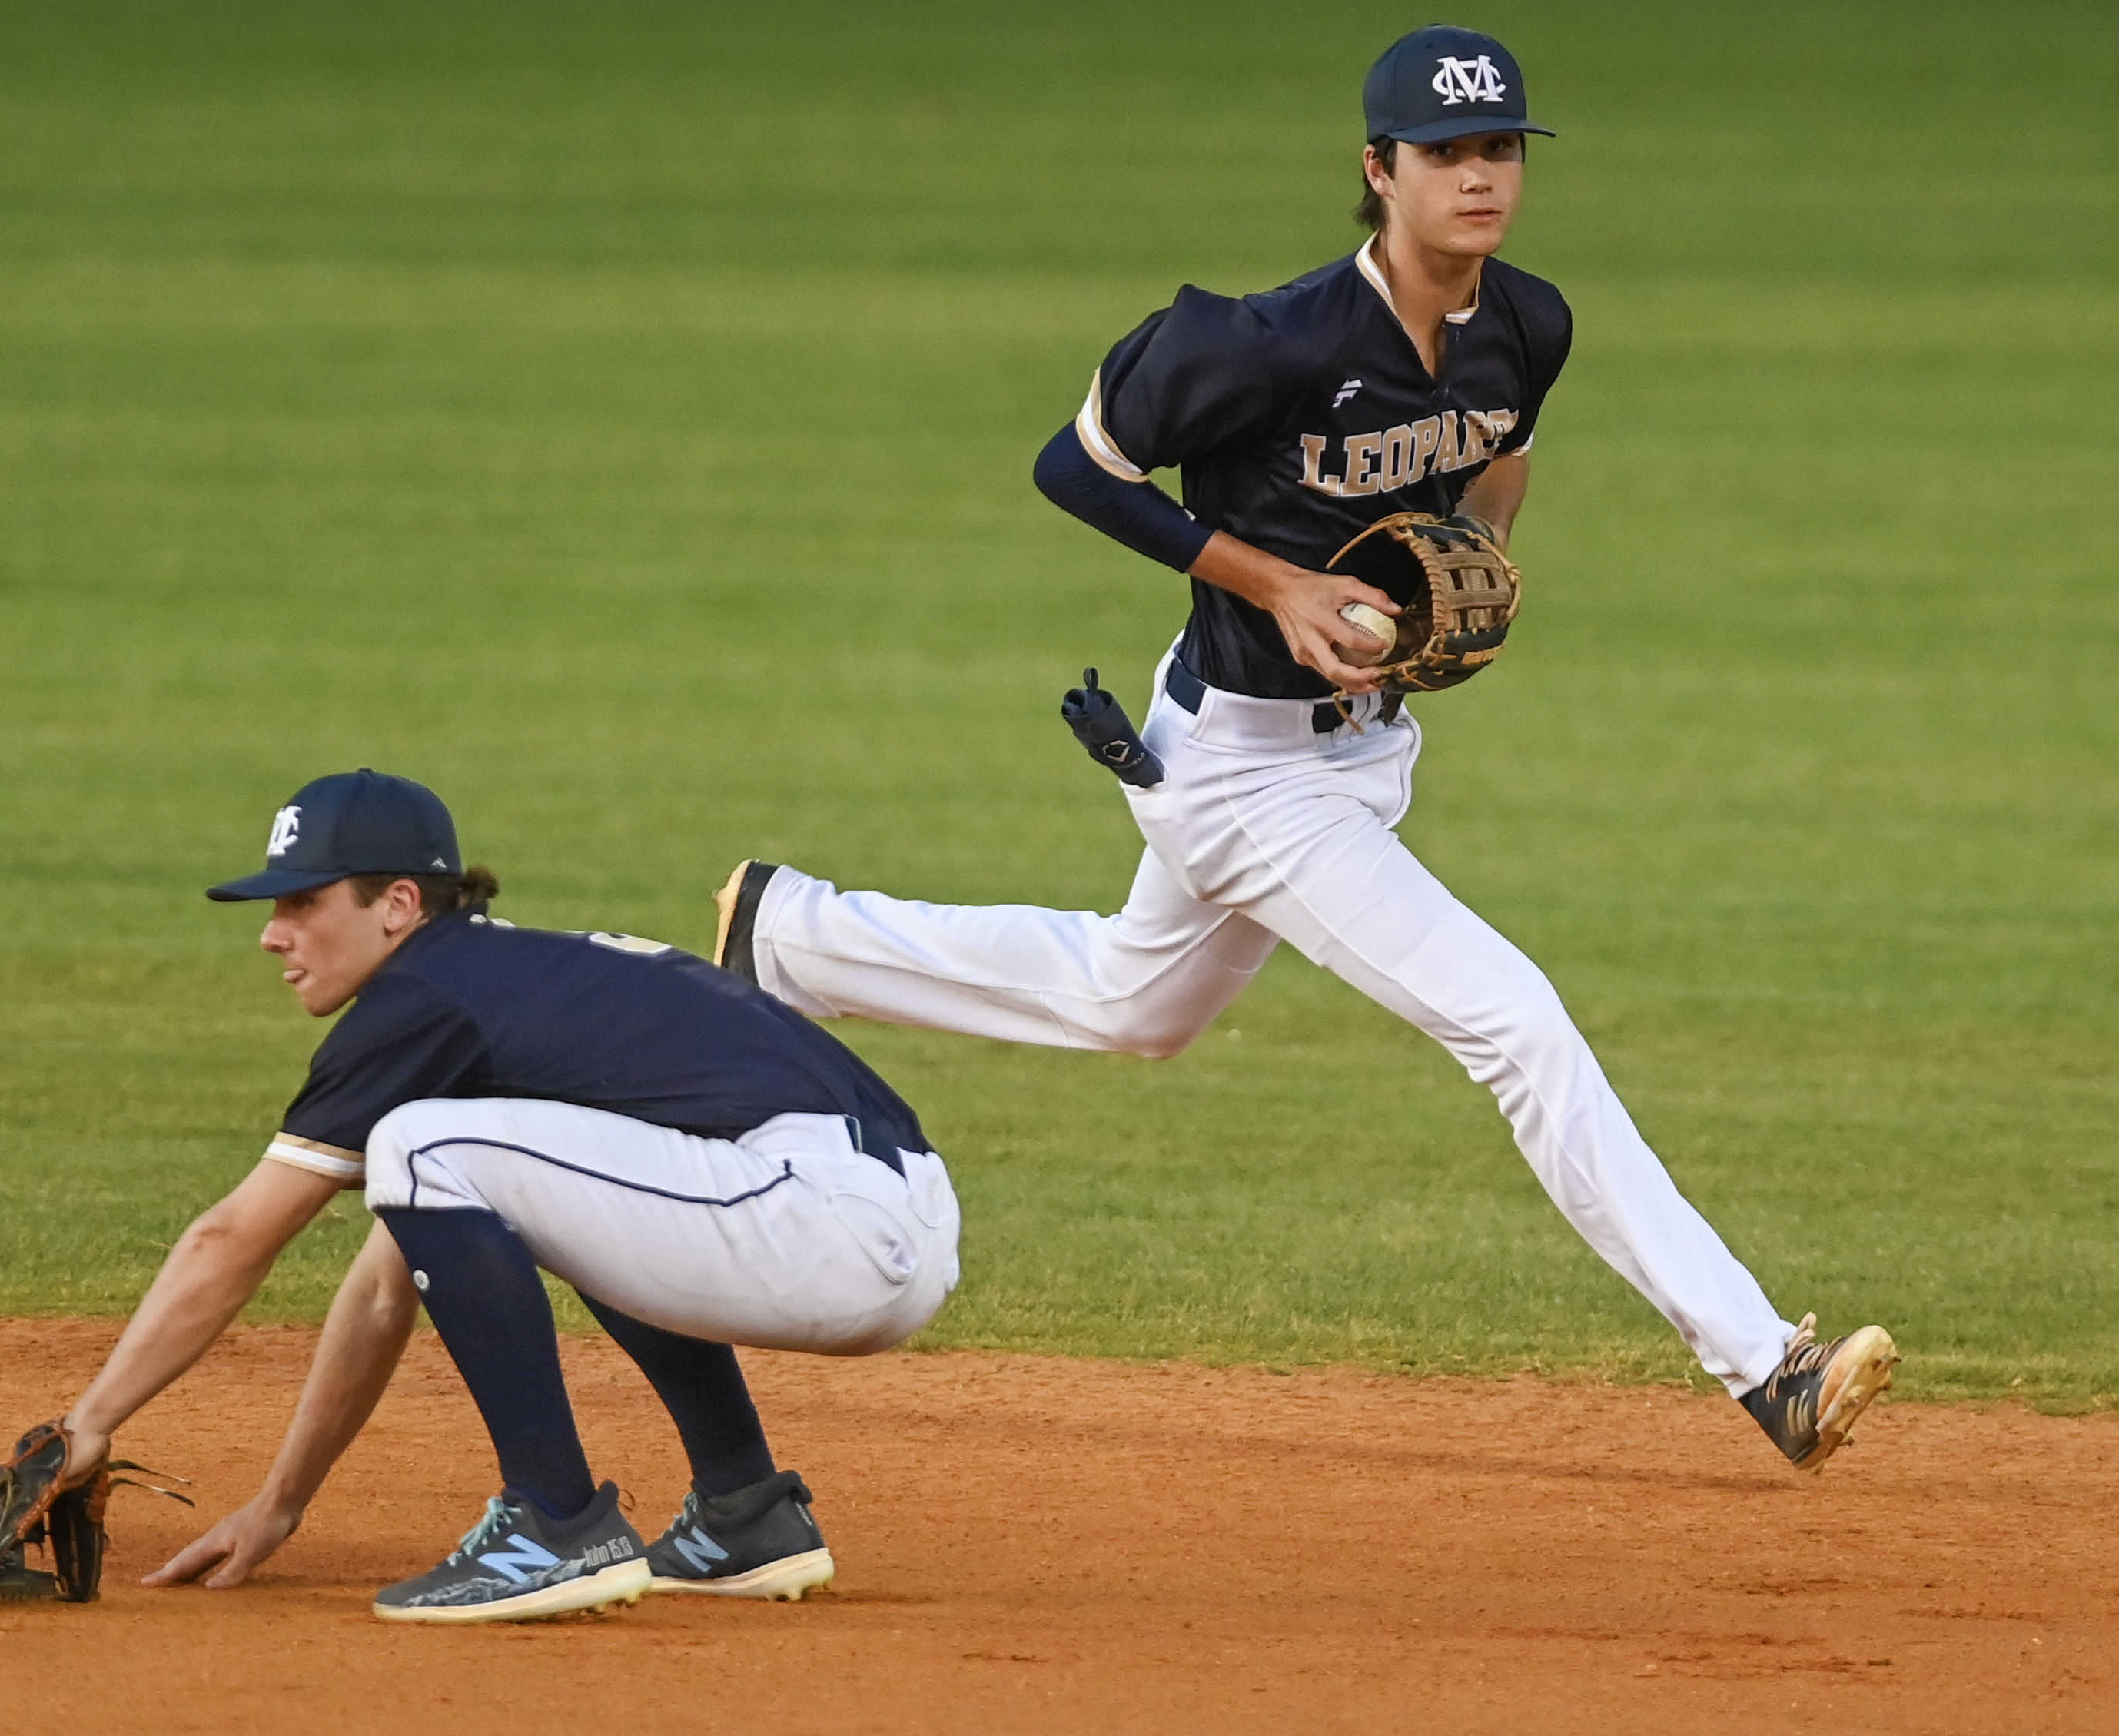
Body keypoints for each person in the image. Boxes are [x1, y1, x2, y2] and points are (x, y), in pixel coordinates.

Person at [708, 25, 1894, 1471]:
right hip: (1246, 766)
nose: (1480, 177)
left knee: (1134, 1003)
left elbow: (1506, 438)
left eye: (1501, 149)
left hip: (1356, 752)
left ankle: (791, 937)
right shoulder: (1261, 344)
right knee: (1514, 1019)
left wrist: (1488, 547)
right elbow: (1073, 465)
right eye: (1448, 152)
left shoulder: (1529, 322)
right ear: (1378, 169)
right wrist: (1267, 580)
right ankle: (1763, 1357)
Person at [51, 768, 960, 1622]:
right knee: (501, 1170)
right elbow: (382, 1285)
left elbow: (232, 1239)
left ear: (398, 904)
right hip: (866, 1209)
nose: (272, 932)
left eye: (303, 901)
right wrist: (279, 1503)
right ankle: (744, 1513)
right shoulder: (506, 986)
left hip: (823, 1220)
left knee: (412, 1140)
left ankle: (555, 1522)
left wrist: (84, 1426)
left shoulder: (425, 1003)